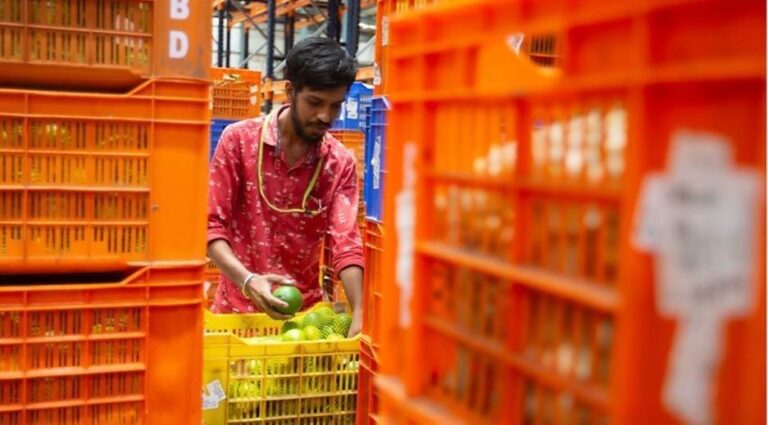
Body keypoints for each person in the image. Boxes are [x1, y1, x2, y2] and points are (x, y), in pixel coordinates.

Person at [207, 37, 364, 337]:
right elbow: (212, 227)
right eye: (315, 103)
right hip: (235, 319)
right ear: (290, 91)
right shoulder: (238, 142)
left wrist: (360, 310)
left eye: (336, 106)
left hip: (304, 325)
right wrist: (248, 280)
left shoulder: (338, 163)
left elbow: (346, 244)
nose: (326, 117)